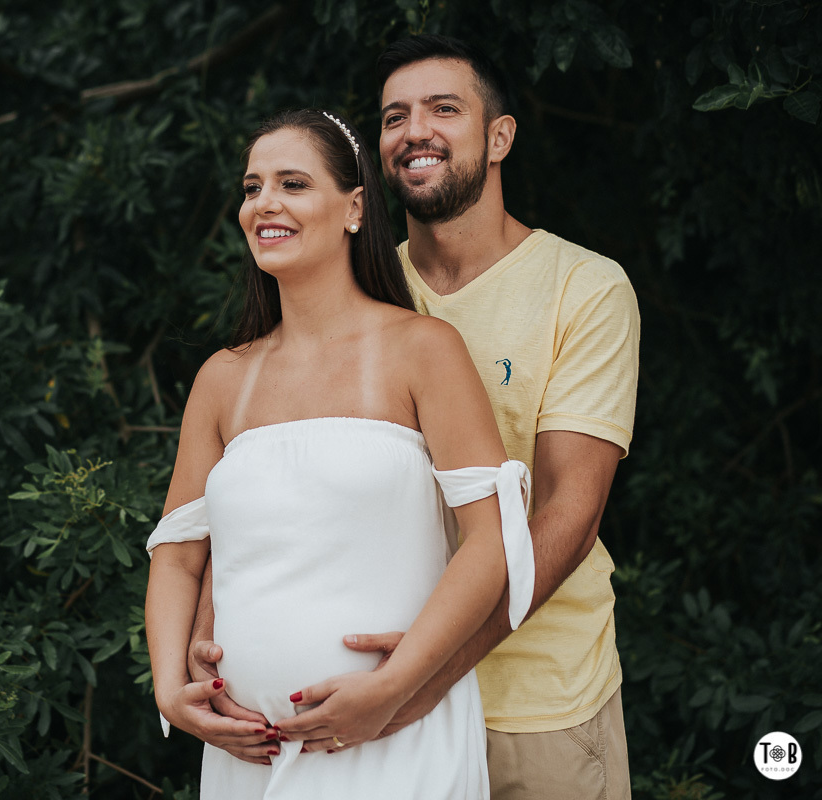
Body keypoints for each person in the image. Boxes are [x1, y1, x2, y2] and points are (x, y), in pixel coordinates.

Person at [185, 35, 640, 800]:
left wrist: (424, 678)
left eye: (444, 109)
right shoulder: (348, 291)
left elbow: (569, 511)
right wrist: (211, 631)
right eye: (395, 116)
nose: (414, 130)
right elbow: (257, 481)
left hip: (534, 700)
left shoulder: (583, 288)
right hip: (355, 724)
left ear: (500, 136)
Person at [144, 108, 536, 799]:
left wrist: (394, 685)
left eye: (293, 184)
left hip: (393, 736)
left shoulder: (423, 350)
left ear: (355, 208)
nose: (265, 203)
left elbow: (490, 542)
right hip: (249, 755)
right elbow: (177, 556)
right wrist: (171, 690)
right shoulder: (223, 379)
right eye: (252, 186)